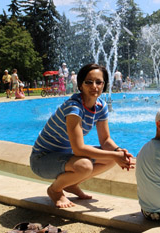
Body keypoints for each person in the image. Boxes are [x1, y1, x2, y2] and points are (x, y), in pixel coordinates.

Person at [30, 63, 134, 208]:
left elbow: (105, 140)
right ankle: (55, 190)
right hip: (42, 160)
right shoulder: (74, 108)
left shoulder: (101, 106)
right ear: (80, 85)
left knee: (110, 158)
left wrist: (118, 152)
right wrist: (114, 155)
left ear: (104, 85)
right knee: (85, 166)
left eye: (99, 82)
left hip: (65, 157)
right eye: (88, 82)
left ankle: (71, 183)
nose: (94, 86)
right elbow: (78, 149)